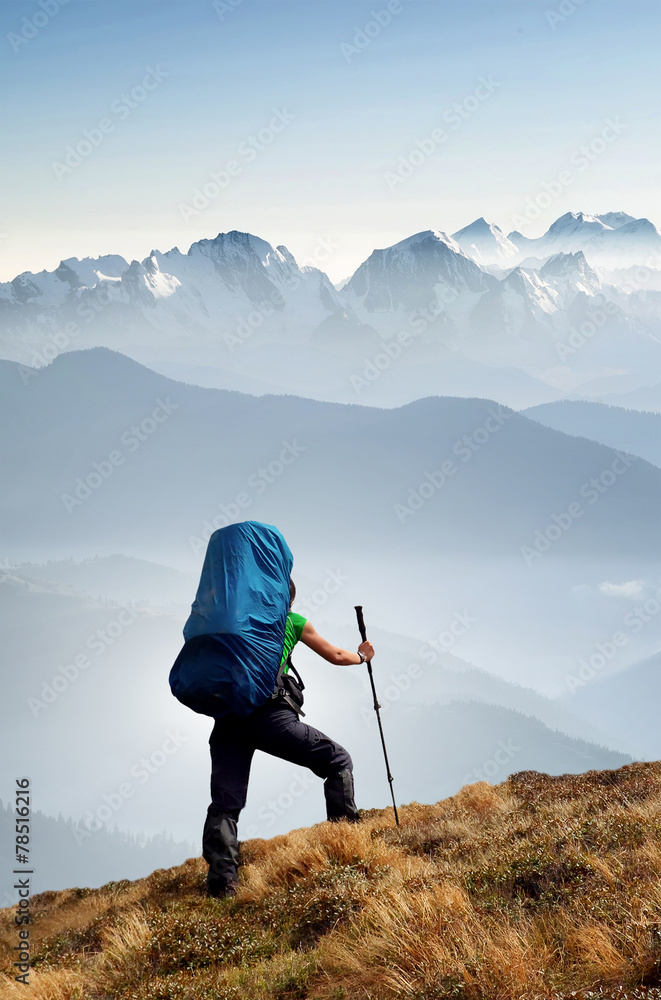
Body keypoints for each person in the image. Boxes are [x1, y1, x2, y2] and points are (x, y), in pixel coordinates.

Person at [202, 579, 375, 898]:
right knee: (337, 760)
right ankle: (345, 845)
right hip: (270, 716)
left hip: (228, 722)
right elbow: (336, 655)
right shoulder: (292, 621)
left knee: (226, 802)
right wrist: (362, 656)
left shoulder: (233, 618)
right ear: (288, 601)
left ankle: (222, 885)